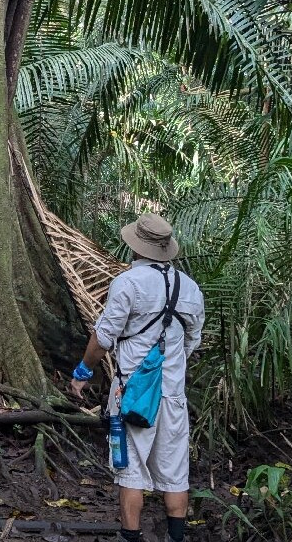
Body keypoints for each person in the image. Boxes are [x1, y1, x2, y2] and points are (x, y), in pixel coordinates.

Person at [71, 213, 205, 542]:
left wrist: (82, 373)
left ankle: (130, 537)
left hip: (131, 397)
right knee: (175, 476)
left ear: (135, 246)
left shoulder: (128, 283)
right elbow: (192, 342)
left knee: (131, 472)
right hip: (172, 398)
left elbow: (103, 338)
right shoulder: (190, 288)